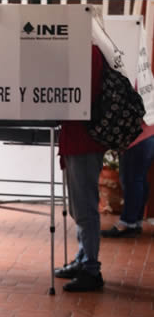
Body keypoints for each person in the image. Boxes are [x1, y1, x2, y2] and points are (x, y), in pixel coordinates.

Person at [54, 44, 107, 292]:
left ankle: (91, 269)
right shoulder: (84, 51)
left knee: (85, 208)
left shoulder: (88, 52)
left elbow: (82, 95)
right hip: (76, 139)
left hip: (84, 141)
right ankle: (83, 259)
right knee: (78, 207)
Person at [101, 123, 154, 238]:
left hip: (138, 135)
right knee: (139, 178)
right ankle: (135, 222)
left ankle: (128, 223)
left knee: (132, 180)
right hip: (148, 132)